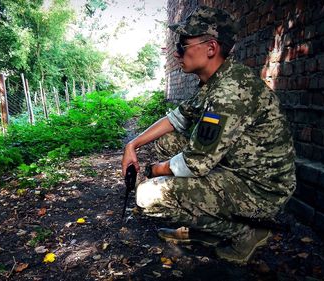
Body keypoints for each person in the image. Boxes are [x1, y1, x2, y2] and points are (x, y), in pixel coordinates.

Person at [121, 5, 296, 264]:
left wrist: (154, 170)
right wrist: (132, 144)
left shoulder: (229, 91)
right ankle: (209, 228)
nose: (176, 52)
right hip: (237, 168)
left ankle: (245, 232)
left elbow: (195, 162)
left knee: (148, 196)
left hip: (260, 190)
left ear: (211, 48)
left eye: (182, 45)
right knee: (166, 140)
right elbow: (176, 118)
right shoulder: (214, 80)